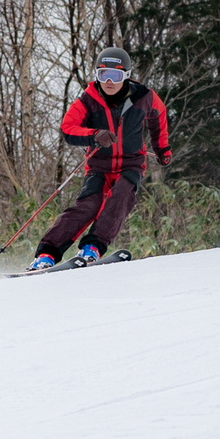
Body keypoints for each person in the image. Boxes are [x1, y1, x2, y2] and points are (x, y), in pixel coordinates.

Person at [27, 46, 171, 271]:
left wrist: (162, 149)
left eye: (116, 75)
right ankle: (46, 254)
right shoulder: (88, 100)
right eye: (103, 75)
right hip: (99, 165)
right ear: (97, 76)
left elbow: (159, 118)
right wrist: (93, 135)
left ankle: (92, 248)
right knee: (88, 206)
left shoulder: (145, 97)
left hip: (131, 163)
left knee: (120, 199)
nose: (109, 82)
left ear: (127, 76)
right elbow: (68, 129)